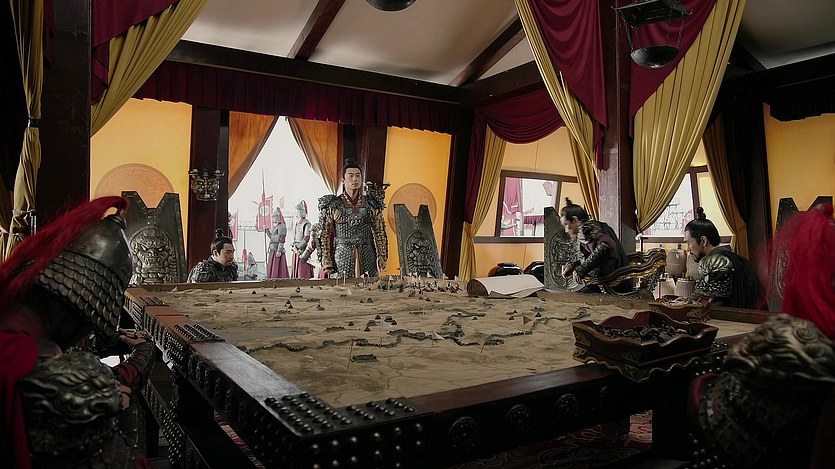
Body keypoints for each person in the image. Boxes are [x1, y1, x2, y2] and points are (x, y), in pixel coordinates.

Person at [0, 196, 156, 468]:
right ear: (74, 310)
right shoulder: (51, 379)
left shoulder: (11, 316)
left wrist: (113, 340)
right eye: (87, 322)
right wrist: (142, 357)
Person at [318, 159, 388, 278]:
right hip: (342, 256)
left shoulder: (371, 204)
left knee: (369, 286)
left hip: (367, 255)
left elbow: (379, 231)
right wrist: (326, 261)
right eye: (350, 176)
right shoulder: (334, 205)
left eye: (358, 175)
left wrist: (382, 257)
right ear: (343, 180)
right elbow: (324, 234)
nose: (355, 179)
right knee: (342, 287)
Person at [683, 207, 761, 308]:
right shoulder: (735, 258)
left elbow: (713, 305)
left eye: (688, 243)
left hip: (736, 316)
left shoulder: (714, 262)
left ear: (703, 241)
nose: (688, 249)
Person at [559, 198, 630, 293]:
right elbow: (592, 257)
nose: (566, 230)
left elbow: (605, 247)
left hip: (613, 283)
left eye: (566, 224)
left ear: (575, 220)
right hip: (602, 282)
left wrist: (582, 269)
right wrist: (573, 266)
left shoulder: (593, 229)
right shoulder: (584, 233)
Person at [291, 200, 314, 279]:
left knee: (302, 270)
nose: (296, 213)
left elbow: (306, 238)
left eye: (297, 211)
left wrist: (298, 246)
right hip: (296, 248)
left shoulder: (306, 223)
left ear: (300, 212)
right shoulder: (298, 222)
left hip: (302, 250)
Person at [265, 208, 289, 279]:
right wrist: (267, 231)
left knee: (278, 269)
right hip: (273, 250)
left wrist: (279, 250)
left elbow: (281, 240)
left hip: (277, 250)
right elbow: (272, 238)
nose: (273, 218)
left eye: (274, 217)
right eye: (273, 217)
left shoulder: (282, 227)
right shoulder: (275, 227)